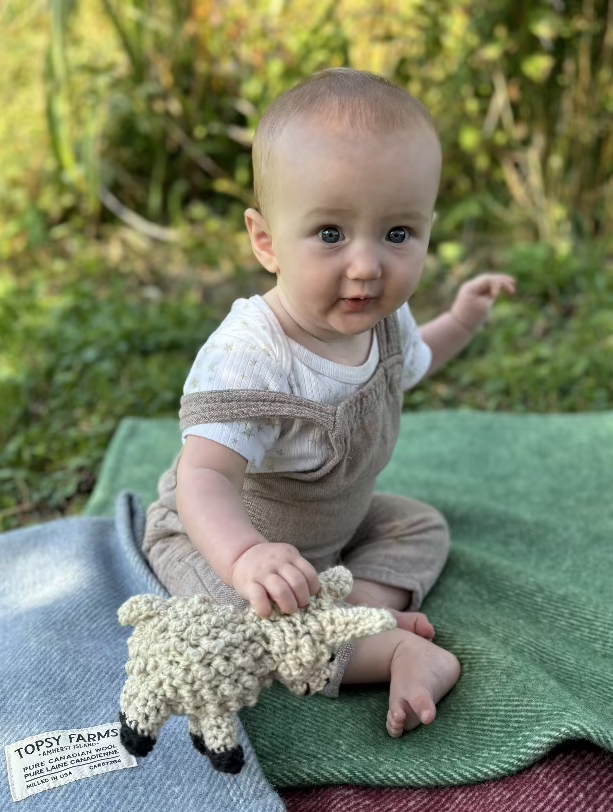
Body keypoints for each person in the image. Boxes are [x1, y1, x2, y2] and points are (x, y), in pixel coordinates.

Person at [143, 68, 515, 738]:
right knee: (240, 624)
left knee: (418, 525)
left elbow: (418, 359)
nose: (367, 266)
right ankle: (394, 649)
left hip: (332, 537)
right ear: (266, 242)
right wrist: (247, 556)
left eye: (398, 234)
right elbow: (204, 479)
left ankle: (362, 611)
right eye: (331, 234)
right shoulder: (252, 356)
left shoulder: (382, 324)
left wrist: (461, 318)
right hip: (223, 536)